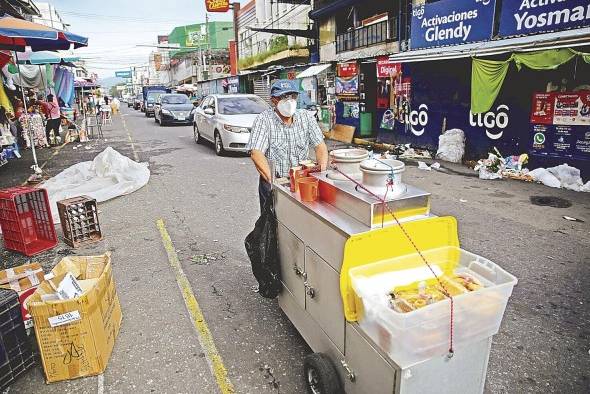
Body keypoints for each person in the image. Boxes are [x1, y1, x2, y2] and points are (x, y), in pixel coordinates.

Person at [247, 79, 328, 212]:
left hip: (302, 182)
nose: (290, 101)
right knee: (274, 225)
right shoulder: (264, 120)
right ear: (274, 101)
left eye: (293, 96)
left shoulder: (306, 117)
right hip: (275, 182)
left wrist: (321, 174)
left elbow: (320, 146)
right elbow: (256, 153)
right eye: (284, 97)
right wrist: (274, 183)